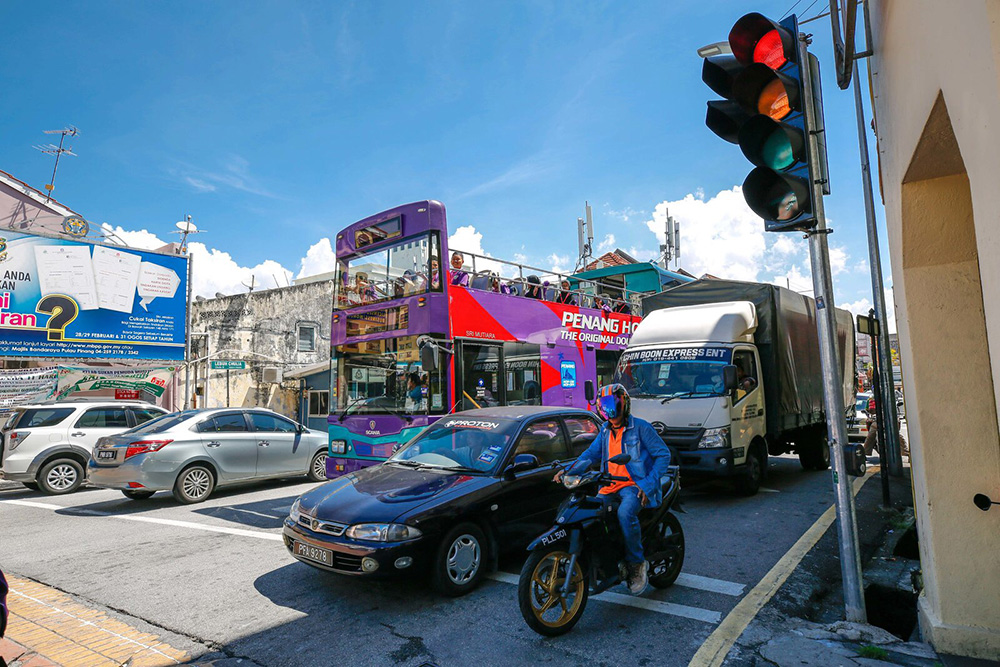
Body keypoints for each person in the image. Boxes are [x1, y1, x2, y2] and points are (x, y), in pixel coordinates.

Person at [554, 384, 671, 595]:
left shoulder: (641, 428)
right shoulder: (605, 431)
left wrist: (647, 484)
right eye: (605, 406)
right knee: (591, 516)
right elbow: (589, 455)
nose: (610, 411)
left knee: (625, 513)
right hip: (609, 485)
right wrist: (567, 471)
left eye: (614, 405)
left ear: (624, 404)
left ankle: (636, 564)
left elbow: (663, 455)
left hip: (632, 486)